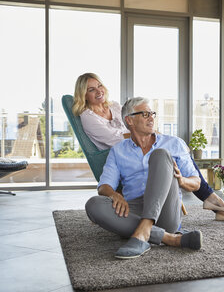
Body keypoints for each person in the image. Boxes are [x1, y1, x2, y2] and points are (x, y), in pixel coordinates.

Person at [74, 72, 224, 222]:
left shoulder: (113, 106)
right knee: (169, 149)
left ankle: (212, 201)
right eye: (91, 89)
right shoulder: (88, 117)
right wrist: (143, 131)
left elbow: (133, 126)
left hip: (143, 144)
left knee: (172, 149)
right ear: (84, 95)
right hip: (121, 152)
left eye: (99, 86)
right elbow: (116, 137)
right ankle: (208, 203)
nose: (99, 91)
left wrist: (149, 132)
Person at [86, 97, 205, 259]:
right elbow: (104, 186)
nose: (151, 118)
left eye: (152, 114)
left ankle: (143, 232)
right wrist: (114, 195)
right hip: (133, 209)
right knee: (93, 205)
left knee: (161, 155)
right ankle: (169, 238)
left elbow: (196, 182)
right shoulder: (118, 150)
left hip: (165, 211)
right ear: (129, 120)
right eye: (145, 114)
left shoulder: (174, 143)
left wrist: (181, 180)